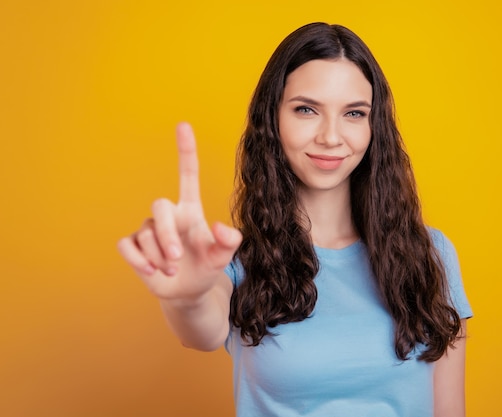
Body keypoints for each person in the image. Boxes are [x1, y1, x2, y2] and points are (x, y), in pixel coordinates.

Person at [118, 22, 472, 417]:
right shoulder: (236, 262)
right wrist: (188, 296)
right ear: (273, 118)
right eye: (306, 109)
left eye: (354, 113)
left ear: (375, 127)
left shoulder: (432, 254)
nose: (331, 136)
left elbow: (449, 410)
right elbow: (202, 329)